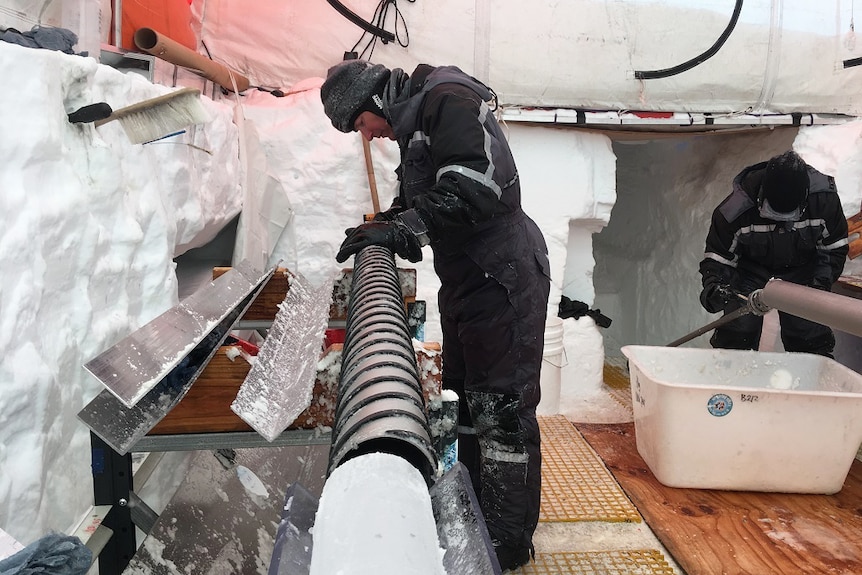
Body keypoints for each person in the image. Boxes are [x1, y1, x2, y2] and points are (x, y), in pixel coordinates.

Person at [320, 59, 551, 571]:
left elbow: (477, 187)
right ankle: (474, 521)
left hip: (502, 278)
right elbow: (427, 195)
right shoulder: (416, 120)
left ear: (375, 101)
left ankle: (507, 545)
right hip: (470, 282)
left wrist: (403, 232)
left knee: (502, 414)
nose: (370, 135)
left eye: (362, 124)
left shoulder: (446, 100)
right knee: (468, 404)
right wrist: (386, 223)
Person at [699, 150, 849, 356]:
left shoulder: (824, 203)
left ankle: (812, 373)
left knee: (807, 328)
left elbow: (833, 249)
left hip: (803, 270)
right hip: (750, 271)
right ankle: (730, 372)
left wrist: (820, 283)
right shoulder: (735, 211)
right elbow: (719, 257)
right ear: (762, 196)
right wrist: (716, 285)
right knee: (739, 325)